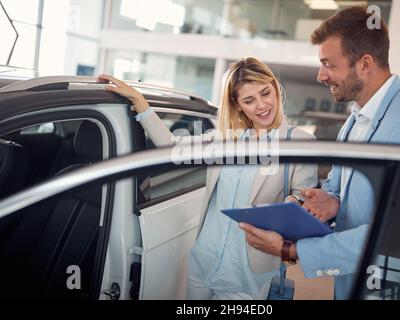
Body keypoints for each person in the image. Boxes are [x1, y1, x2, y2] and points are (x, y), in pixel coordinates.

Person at [240, 5, 400, 299]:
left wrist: (293, 249)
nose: (320, 75)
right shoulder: (355, 120)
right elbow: (337, 189)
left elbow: (399, 235)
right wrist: (323, 202)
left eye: (328, 64)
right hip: (355, 281)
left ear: (364, 64)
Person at [97, 57, 318, 299]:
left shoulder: (300, 142)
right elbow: (171, 146)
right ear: (237, 104)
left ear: (275, 89)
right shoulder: (225, 138)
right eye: (249, 100)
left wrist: (293, 203)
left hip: (248, 273)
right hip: (204, 260)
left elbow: (305, 199)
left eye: (266, 93)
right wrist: (140, 102)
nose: (262, 105)